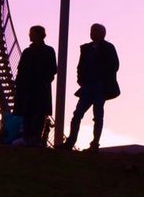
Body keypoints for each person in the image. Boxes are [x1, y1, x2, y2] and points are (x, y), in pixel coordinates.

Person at [64, 23, 120, 151]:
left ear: (102, 33)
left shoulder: (108, 48)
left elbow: (114, 65)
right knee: (78, 114)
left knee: (97, 115)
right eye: (91, 30)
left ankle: (94, 144)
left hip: (100, 86)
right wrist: (81, 80)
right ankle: (70, 142)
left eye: (94, 31)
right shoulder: (86, 48)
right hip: (87, 86)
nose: (91, 33)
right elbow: (80, 66)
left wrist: (102, 79)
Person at [14, 25, 58, 146]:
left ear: (38, 35)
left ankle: (36, 139)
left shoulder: (48, 51)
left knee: (39, 113)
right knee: (27, 112)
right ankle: (27, 138)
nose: (29, 35)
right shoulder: (27, 52)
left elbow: (53, 69)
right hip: (28, 87)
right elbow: (21, 70)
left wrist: (44, 80)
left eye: (31, 33)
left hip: (40, 87)